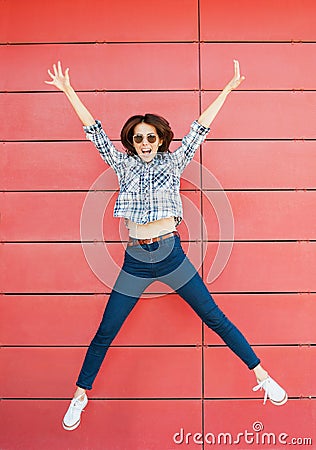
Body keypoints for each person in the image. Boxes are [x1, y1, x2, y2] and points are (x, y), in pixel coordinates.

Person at [45, 60, 287, 431]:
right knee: (106, 331)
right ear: (131, 141)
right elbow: (93, 131)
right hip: (136, 259)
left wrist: (227, 89)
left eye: (151, 137)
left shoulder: (174, 163)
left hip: (171, 255)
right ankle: (80, 395)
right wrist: (68, 91)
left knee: (214, 317)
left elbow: (200, 128)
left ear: (160, 139)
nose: (144, 143)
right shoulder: (122, 165)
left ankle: (262, 375)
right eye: (138, 138)